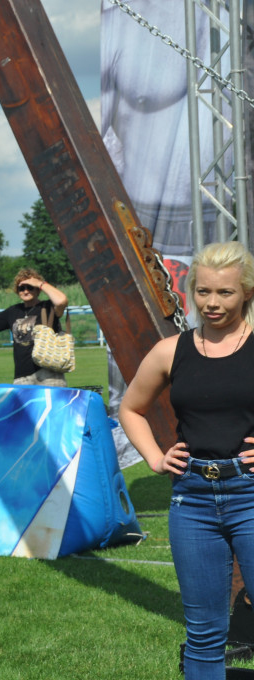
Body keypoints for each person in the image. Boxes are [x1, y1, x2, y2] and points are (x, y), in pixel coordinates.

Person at [119, 241, 254, 680]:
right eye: (203, 291)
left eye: (225, 293)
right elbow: (129, 409)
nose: (212, 303)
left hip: (251, 494)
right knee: (204, 634)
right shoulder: (170, 350)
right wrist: (156, 458)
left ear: (247, 293)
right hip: (191, 501)